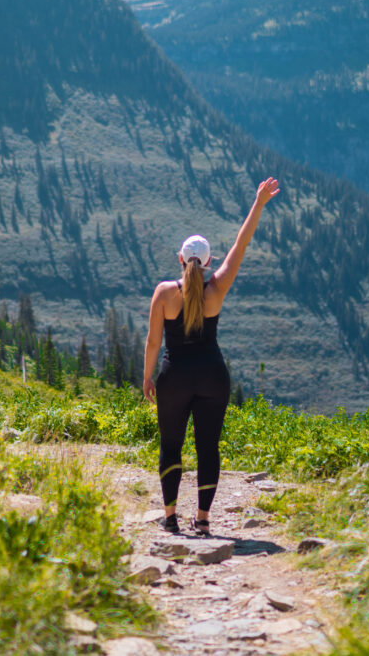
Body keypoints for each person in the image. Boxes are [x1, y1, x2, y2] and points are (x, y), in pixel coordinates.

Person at [143, 177, 280, 535]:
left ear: (179, 259)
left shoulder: (163, 293)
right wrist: (259, 203)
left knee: (171, 445)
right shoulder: (216, 288)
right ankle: (203, 520)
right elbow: (242, 242)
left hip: (174, 377)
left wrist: (147, 377)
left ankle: (170, 517)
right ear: (207, 262)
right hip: (212, 377)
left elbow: (154, 342)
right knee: (208, 448)